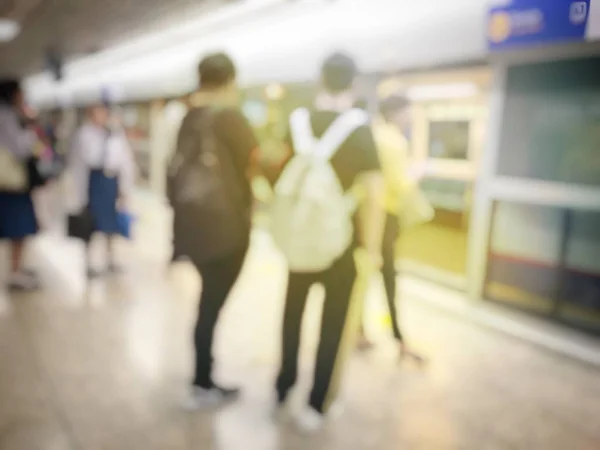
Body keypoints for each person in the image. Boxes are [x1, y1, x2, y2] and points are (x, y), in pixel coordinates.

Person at [274, 53, 385, 431]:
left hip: (299, 238)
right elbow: (373, 194)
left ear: (320, 79)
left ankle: (283, 384)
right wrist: (371, 249)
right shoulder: (360, 127)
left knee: (292, 312)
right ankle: (317, 404)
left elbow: (277, 172)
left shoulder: (297, 119)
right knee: (333, 324)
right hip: (342, 245)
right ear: (352, 83)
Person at [168, 53, 259, 409]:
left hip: (193, 225)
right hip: (226, 230)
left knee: (207, 302)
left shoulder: (186, 117)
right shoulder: (231, 118)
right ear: (230, 81)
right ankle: (202, 382)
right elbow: (253, 164)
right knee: (210, 307)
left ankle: (203, 377)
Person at [355, 95, 426, 363]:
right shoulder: (395, 141)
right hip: (385, 217)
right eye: (409, 112)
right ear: (397, 113)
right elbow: (399, 183)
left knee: (365, 274)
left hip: (366, 215)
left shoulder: (371, 134)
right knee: (387, 277)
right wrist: (417, 172)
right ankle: (399, 338)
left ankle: (360, 329)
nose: (410, 118)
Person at [69, 105, 135, 277]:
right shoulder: (84, 134)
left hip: (110, 182)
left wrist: (124, 188)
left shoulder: (115, 133)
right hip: (94, 181)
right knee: (90, 223)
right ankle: (89, 262)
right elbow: (83, 161)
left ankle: (111, 259)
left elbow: (124, 160)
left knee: (111, 223)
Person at [0, 79, 42, 290]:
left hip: (10, 183)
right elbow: (20, 148)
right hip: (11, 183)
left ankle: (16, 269)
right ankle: (15, 272)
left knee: (17, 227)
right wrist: (30, 129)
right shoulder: (7, 116)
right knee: (17, 228)